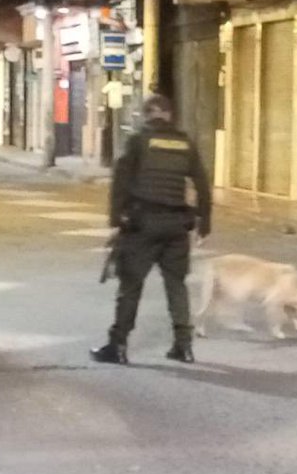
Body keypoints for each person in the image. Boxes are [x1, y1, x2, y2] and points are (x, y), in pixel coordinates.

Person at [91, 94, 212, 365]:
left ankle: (118, 345)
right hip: (177, 226)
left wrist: (116, 219)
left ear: (147, 115)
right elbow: (202, 183)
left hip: (142, 225)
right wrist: (205, 221)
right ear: (169, 115)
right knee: (176, 285)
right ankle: (184, 346)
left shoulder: (137, 141)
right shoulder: (185, 143)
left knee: (131, 286)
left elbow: (120, 181)